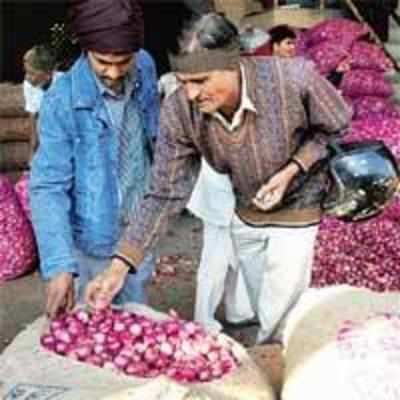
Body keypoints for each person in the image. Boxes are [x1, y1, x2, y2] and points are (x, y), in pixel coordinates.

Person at [85, 13, 351, 344]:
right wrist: (119, 266)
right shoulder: (181, 110)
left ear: (233, 63)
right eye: (184, 82)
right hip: (246, 209)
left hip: (300, 203)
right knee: (264, 307)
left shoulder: (292, 79)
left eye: (201, 80)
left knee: (280, 312)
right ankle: (275, 355)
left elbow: (336, 127)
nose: (192, 93)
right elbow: (165, 193)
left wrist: (294, 167)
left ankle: (282, 371)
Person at [29, 0, 160, 319]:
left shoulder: (144, 65)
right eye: (103, 62)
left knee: (134, 316)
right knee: (96, 323)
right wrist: (60, 265)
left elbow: (154, 136)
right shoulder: (61, 101)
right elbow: (48, 187)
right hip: (93, 238)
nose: (114, 73)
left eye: (123, 61)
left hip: (138, 228)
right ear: (85, 48)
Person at [23, 44, 63, 158]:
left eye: (32, 73)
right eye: (26, 72)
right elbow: (33, 118)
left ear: (48, 73)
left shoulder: (64, 84)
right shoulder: (28, 85)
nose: (27, 77)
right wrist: (32, 152)